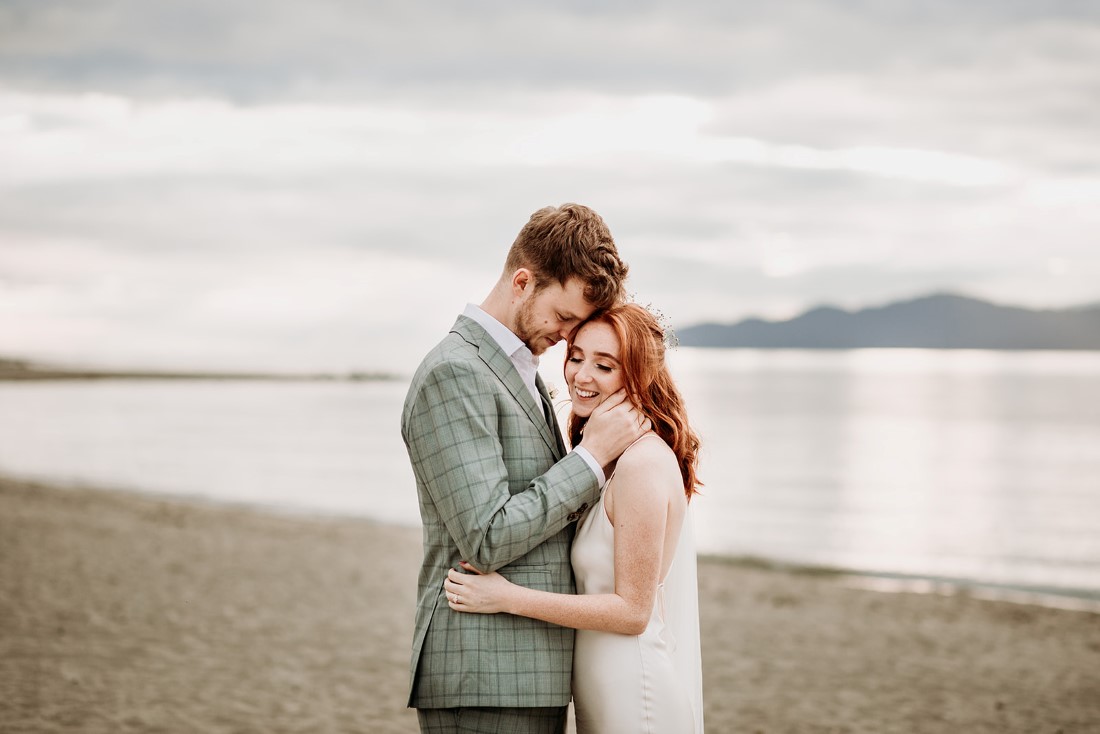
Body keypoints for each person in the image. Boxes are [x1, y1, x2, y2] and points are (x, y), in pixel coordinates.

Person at [401, 204, 651, 734]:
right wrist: (590, 458)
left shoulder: (522, 373)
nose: (565, 336)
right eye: (562, 317)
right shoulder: (455, 372)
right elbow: (485, 536)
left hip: (526, 670)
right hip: (483, 671)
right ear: (522, 282)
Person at [444, 303, 705, 734]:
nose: (581, 376)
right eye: (577, 356)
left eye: (604, 366)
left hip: (634, 691)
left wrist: (507, 597)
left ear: (637, 376)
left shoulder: (641, 463)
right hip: (602, 686)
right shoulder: (611, 460)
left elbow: (633, 612)